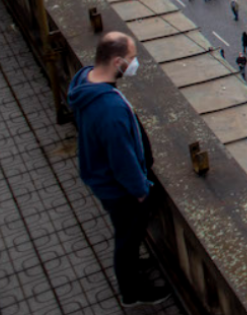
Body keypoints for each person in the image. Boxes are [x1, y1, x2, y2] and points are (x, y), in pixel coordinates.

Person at [68, 32, 170, 307]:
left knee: (127, 236)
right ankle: (132, 291)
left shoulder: (85, 79)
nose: (135, 63)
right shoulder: (110, 109)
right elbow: (122, 160)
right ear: (116, 61)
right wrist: (140, 193)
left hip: (101, 178)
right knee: (126, 239)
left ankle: (132, 269)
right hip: (120, 190)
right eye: (132, 58)